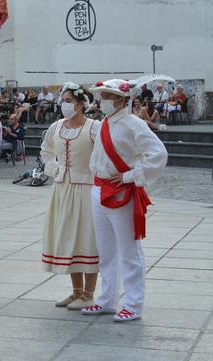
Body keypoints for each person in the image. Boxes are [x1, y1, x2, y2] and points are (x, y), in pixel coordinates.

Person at [82, 78, 167, 322]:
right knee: (106, 251)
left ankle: (133, 303)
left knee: (129, 251)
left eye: (108, 96)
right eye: (103, 96)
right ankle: (107, 299)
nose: (104, 100)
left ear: (121, 99)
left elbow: (158, 154)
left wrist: (131, 175)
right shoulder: (103, 124)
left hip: (120, 191)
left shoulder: (133, 124)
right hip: (98, 189)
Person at [40, 83, 100, 310]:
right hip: (62, 189)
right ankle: (76, 292)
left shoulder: (94, 127)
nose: (64, 104)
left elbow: (105, 153)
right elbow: (46, 150)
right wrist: (51, 165)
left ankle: (89, 294)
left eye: (68, 100)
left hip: (86, 188)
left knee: (86, 238)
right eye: (62, 100)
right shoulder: (56, 127)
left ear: (81, 104)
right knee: (69, 239)